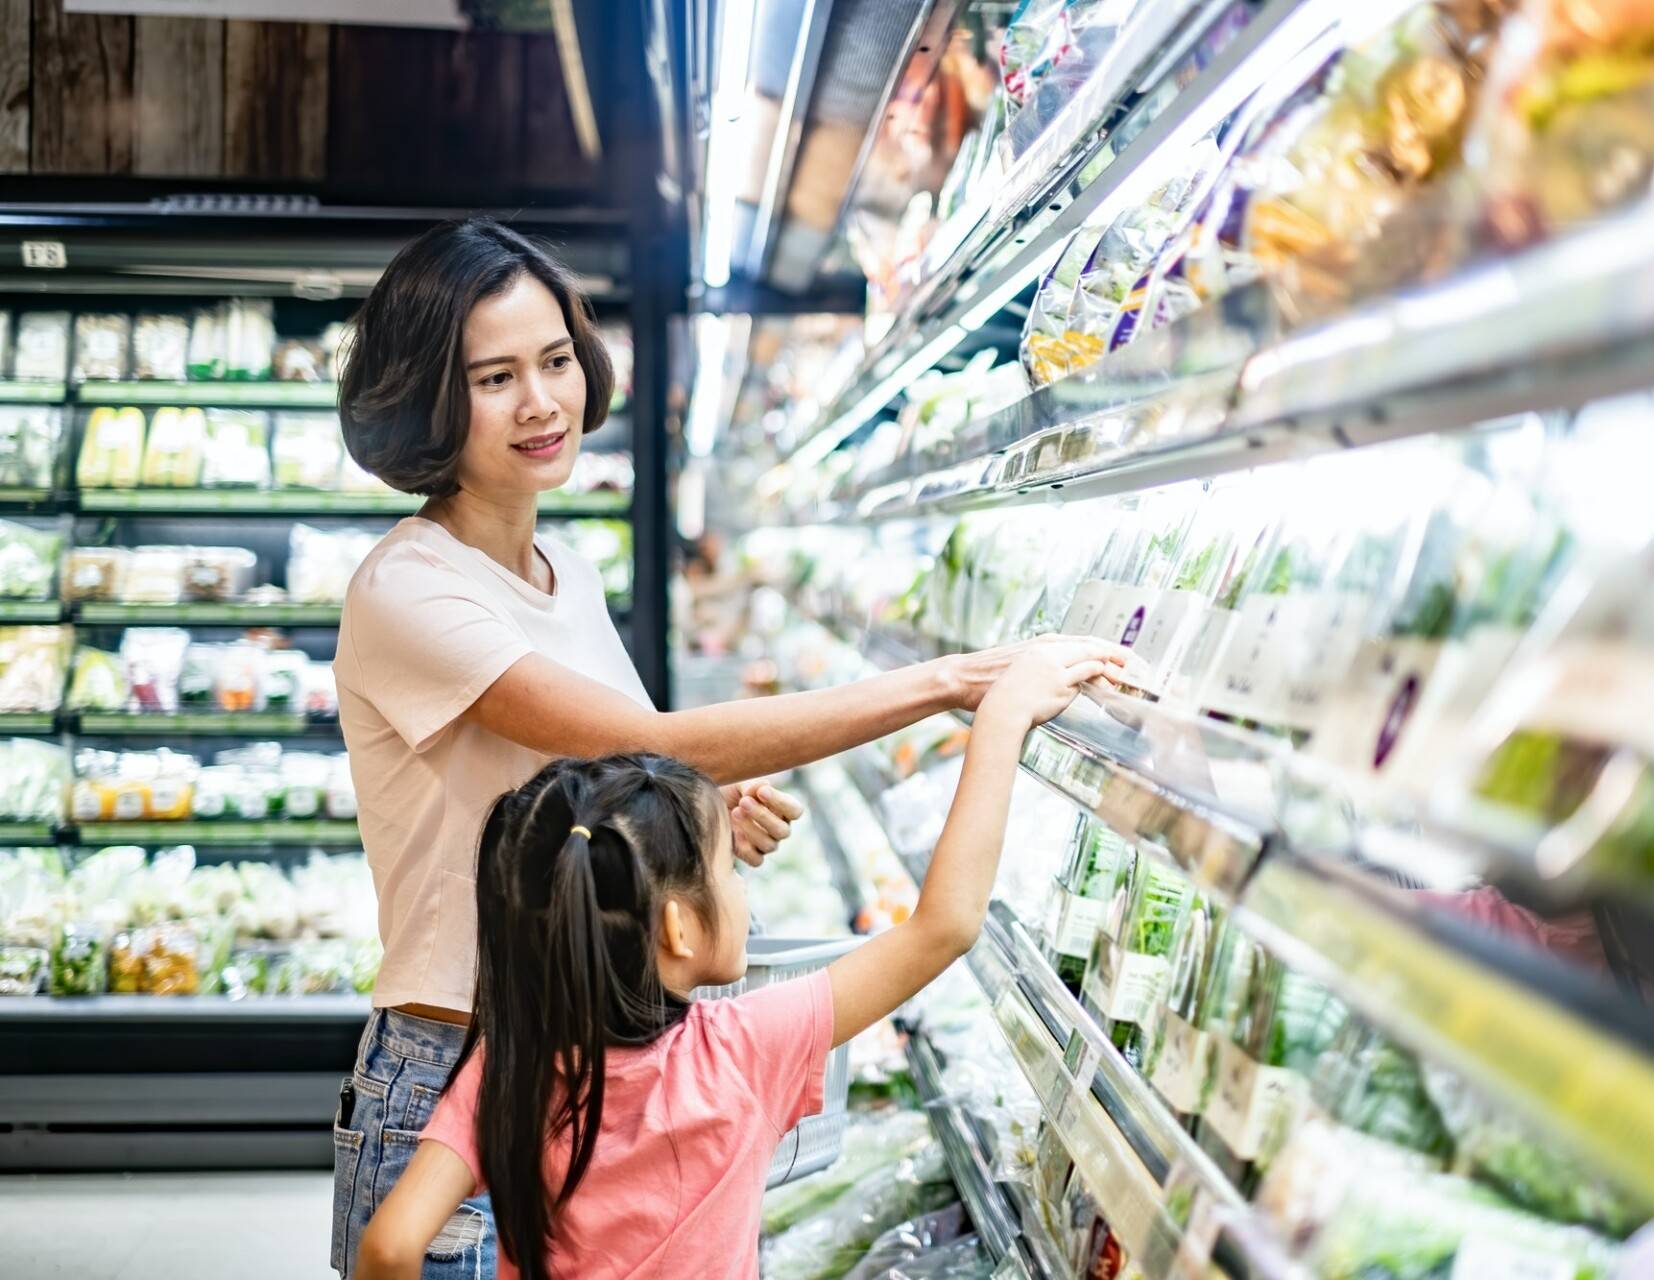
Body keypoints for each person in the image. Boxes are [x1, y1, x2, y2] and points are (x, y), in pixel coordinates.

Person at [328, 215, 1128, 1277]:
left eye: (557, 359)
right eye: (493, 377)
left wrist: (687, 820)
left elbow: (611, 778)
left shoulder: (559, 568)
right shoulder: (409, 586)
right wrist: (948, 681)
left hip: (577, 1050)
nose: (541, 402)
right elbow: (648, 737)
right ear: (428, 396)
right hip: (460, 1056)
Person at [352, 646, 1107, 1280]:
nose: (740, 887)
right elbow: (944, 925)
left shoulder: (509, 1067)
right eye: (727, 869)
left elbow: (388, 1246)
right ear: (678, 929)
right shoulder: (745, 1049)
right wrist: (1002, 718)